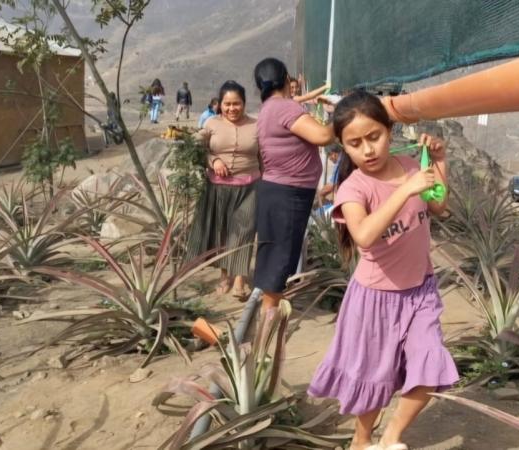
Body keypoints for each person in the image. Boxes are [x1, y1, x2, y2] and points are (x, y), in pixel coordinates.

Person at [307, 91, 458, 450]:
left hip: (420, 291)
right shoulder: (353, 189)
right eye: (355, 144)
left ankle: (391, 437)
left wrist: (439, 161)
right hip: (375, 299)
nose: (368, 150)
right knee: (375, 378)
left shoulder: (410, 166)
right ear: (343, 147)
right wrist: (403, 191)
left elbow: (438, 205)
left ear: (389, 131)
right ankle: (361, 441)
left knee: (430, 363)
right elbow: (363, 235)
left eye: (374, 137)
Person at [253, 57, 334, 311]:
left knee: (274, 263)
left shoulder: (268, 108)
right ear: (287, 79)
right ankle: (267, 324)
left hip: (276, 191)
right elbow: (322, 136)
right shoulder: (285, 107)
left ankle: (266, 317)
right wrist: (344, 114)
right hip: (289, 194)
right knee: (278, 265)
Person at [186, 81, 260, 298]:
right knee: (224, 233)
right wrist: (213, 160)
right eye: (227, 104)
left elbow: (264, 156)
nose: (232, 108)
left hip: (250, 187)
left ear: (244, 103)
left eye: (236, 104)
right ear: (220, 104)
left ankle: (240, 279)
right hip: (218, 188)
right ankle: (225, 276)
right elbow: (195, 147)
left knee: (244, 231)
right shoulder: (211, 124)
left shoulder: (256, 125)